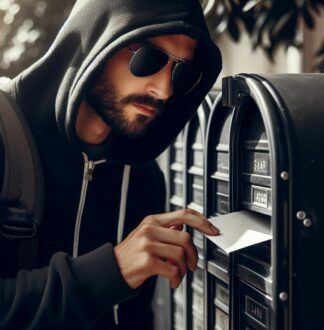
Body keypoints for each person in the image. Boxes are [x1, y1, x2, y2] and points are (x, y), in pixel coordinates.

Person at [0, 0, 222, 328]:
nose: (163, 90)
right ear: (98, 42)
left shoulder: (143, 179)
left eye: (182, 71)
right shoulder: (5, 136)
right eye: (149, 58)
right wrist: (112, 271)